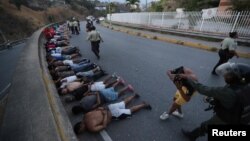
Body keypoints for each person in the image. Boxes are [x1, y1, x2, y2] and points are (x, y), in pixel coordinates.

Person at [179, 71, 243, 141]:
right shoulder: (243, 86)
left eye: (227, 76)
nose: (224, 76)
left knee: (205, 125)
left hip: (228, 116)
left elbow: (203, 89)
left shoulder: (226, 91)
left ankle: (192, 135)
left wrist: (188, 78)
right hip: (240, 114)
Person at [73, 95, 152, 133]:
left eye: (81, 131)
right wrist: (101, 110)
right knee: (123, 103)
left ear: (80, 127)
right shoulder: (86, 115)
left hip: (112, 114)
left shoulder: (91, 128)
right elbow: (96, 109)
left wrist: (104, 115)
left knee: (130, 110)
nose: (82, 132)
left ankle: (144, 105)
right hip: (109, 109)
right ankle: (134, 95)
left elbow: (104, 126)